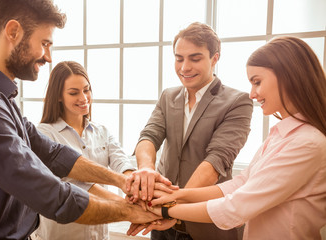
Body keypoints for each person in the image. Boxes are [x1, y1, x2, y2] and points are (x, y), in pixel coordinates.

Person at [0, 1, 162, 239]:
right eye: (44, 44)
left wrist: (123, 181)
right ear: (13, 31)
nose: (49, 57)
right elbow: (52, 196)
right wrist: (132, 212)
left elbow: (51, 153)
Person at [130, 36, 326, 240]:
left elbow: (229, 188)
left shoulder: (307, 142)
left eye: (257, 82)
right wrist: (175, 195)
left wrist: (167, 209)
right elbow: (241, 182)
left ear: (214, 59)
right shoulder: (280, 134)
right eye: (179, 58)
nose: (252, 94)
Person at [126, 22, 253, 239]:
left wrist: (173, 206)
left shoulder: (238, 102)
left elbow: (216, 161)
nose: (184, 67)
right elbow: (149, 136)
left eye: (195, 58)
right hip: (161, 224)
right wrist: (146, 169)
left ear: (215, 58)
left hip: (207, 225)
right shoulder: (168, 96)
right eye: (179, 58)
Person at [32, 61, 135, 240]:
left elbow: (120, 159)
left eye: (86, 90)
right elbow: (71, 182)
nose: (83, 98)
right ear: (58, 96)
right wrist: (123, 205)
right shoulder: (44, 133)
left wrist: (133, 183)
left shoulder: (102, 131)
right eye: (74, 93)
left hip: (99, 235)